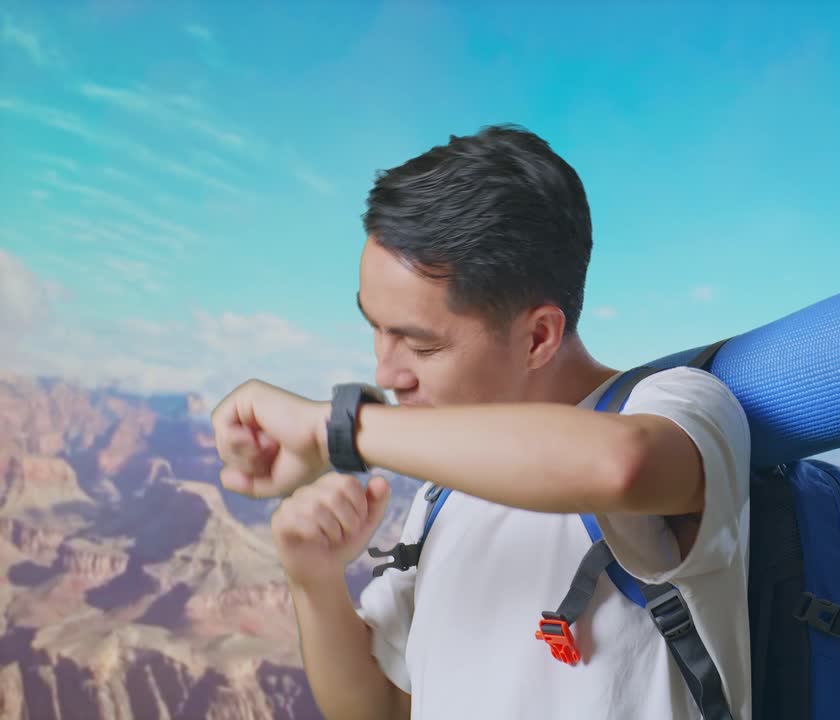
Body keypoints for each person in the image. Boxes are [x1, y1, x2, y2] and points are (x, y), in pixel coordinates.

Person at [210, 124, 752, 719]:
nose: (386, 373)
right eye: (376, 328)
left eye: (419, 345)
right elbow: (384, 709)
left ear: (538, 336)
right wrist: (313, 580)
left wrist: (336, 430)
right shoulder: (446, 489)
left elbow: (621, 466)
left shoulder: (680, 406)